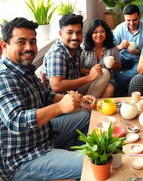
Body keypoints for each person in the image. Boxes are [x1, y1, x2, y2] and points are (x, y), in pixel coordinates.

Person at [0, 17, 95, 180]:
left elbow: (45, 95)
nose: (29, 48)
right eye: (21, 42)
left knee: (86, 116)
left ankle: (74, 155)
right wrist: (60, 108)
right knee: (92, 164)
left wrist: (78, 100)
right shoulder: (4, 77)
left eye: (33, 41)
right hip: (24, 157)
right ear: (4, 46)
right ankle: (77, 163)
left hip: (45, 134)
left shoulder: (25, 69)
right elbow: (16, 120)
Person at [42, 14, 110, 97]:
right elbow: (57, 86)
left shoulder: (77, 48)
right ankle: (87, 106)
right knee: (105, 75)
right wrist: (89, 77)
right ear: (60, 34)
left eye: (78, 33)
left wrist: (91, 72)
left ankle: (88, 103)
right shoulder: (57, 53)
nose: (75, 37)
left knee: (105, 76)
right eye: (69, 33)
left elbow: (73, 69)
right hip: (61, 99)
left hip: (73, 91)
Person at [113, 4, 143, 94]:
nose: (131, 23)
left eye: (134, 20)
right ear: (124, 18)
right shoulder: (119, 29)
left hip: (139, 59)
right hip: (123, 57)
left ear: (139, 16)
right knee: (112, 66)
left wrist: (140, 52)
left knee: (137, 71)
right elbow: (111, 49)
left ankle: (118, 84)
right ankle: (122, 84)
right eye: (128, 20)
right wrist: (120, 46)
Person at [80, 19, 121, 97]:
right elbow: (78, 69)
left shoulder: (112, 47)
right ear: (91, 34)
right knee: (103, 72)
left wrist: (115, 65)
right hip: (88, 79)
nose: (99, 35)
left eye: (102, 31)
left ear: (106, 33)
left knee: (110, 88)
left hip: (109, 80)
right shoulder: (84, 47)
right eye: (95, 32)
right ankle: (89, 103)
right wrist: (93, 72)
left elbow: (119, 67)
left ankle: (94, 106)